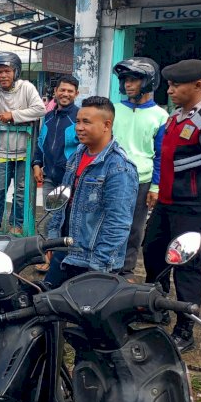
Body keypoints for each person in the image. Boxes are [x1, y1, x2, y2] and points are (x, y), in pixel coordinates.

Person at [143, 59, 201, 353]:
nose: (169, 89)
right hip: (167, 204)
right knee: (153, 252)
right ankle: (157, 306)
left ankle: (185, 328)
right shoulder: (176, 117)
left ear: (198, 85)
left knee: (186, 267)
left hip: (193, 208)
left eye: (175, 85)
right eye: (168, 84)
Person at [44, 96, 139, 288]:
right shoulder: (77, 155)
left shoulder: (119, 168)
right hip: (65, 249)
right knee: (46, 305)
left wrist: (99, 266)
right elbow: (62, 201)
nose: (79, 127)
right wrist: (52, 241)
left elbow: (118, 223)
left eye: (86, 122)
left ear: (106, 125)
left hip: (93, 261)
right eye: (78, 121)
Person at [111, 59, 169, 280]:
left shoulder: (161, 116)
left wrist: (155, 186)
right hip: (114, 176)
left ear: (148, 82)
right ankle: (106, 266)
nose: (128, 84)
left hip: (142, 181)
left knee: (134, 230)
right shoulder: (114, 110)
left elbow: (160, 155)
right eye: (125, 79)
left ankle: (126, 271)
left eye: (134, 79)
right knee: (110, 223)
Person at [0, 52, 45, 233]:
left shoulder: (27, 88)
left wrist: (12, 116)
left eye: (7, 71)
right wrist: (21, 119)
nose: (3, 75)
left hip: (24, 151)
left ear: (15, 72)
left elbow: (40, 109)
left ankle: (16, 224)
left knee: (20, 192)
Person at [31, 74, 80, 270]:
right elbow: (40, 143)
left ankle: (62, 259)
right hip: (50, 177)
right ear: (55, 92)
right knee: (51, 218)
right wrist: (36, 164)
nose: (65, 94)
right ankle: (51, 259)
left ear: (76, 93)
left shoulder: (78, 116)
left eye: (70, 91)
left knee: (66, 219)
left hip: (71, 178)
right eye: (62, 90)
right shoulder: (48, 116)